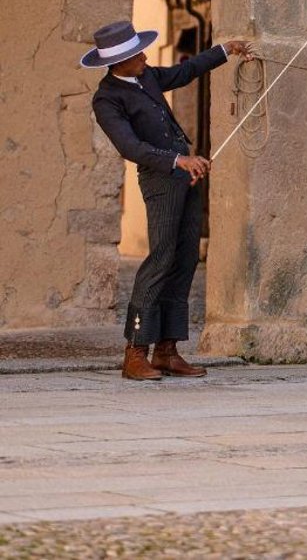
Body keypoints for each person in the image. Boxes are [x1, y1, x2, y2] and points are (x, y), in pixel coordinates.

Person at [83, 20, 253, 381]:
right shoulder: (107, 99)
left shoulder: (146, 77)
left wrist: (226, 49)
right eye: (137, 54)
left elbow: (185, 71)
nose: (145, 56)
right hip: (161, 179)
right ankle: (135, 353)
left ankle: (167, 351)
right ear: (120, 61)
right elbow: (131, 147)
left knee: (185, 256)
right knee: (160, 258)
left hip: (185, 175)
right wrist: (179, 160)